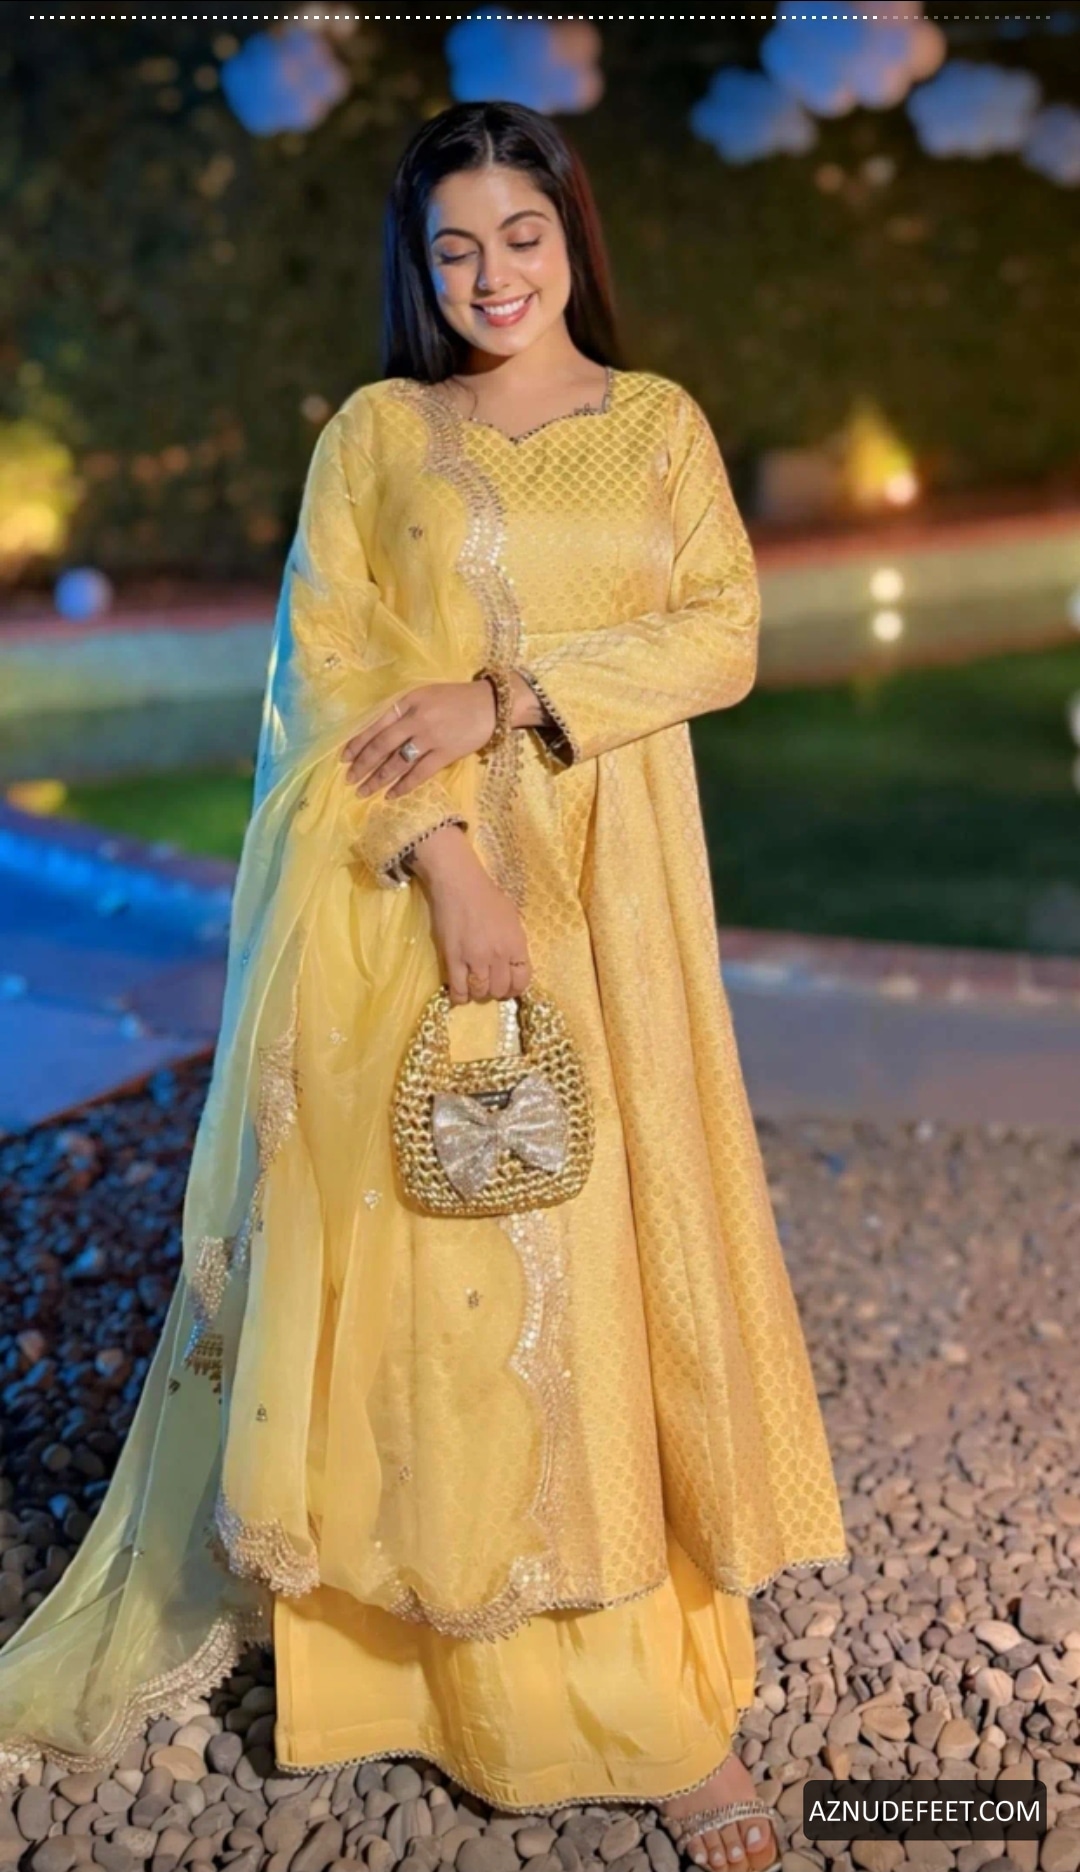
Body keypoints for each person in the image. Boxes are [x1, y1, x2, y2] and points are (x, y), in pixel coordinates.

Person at [0, 99, 848, 1872]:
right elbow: (326, 680)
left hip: (617, 909)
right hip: (419, 903)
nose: (491, 276)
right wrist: (448, 857)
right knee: (449, 1266)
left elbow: (724, 634)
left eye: (521, 237)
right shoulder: (379, 436)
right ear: (420, 265)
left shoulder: (658, 424)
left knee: (607, 1256)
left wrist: (509, 695)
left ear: (572, 237)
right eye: (454, 247)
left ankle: (641, 1694)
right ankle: (422, 1666)